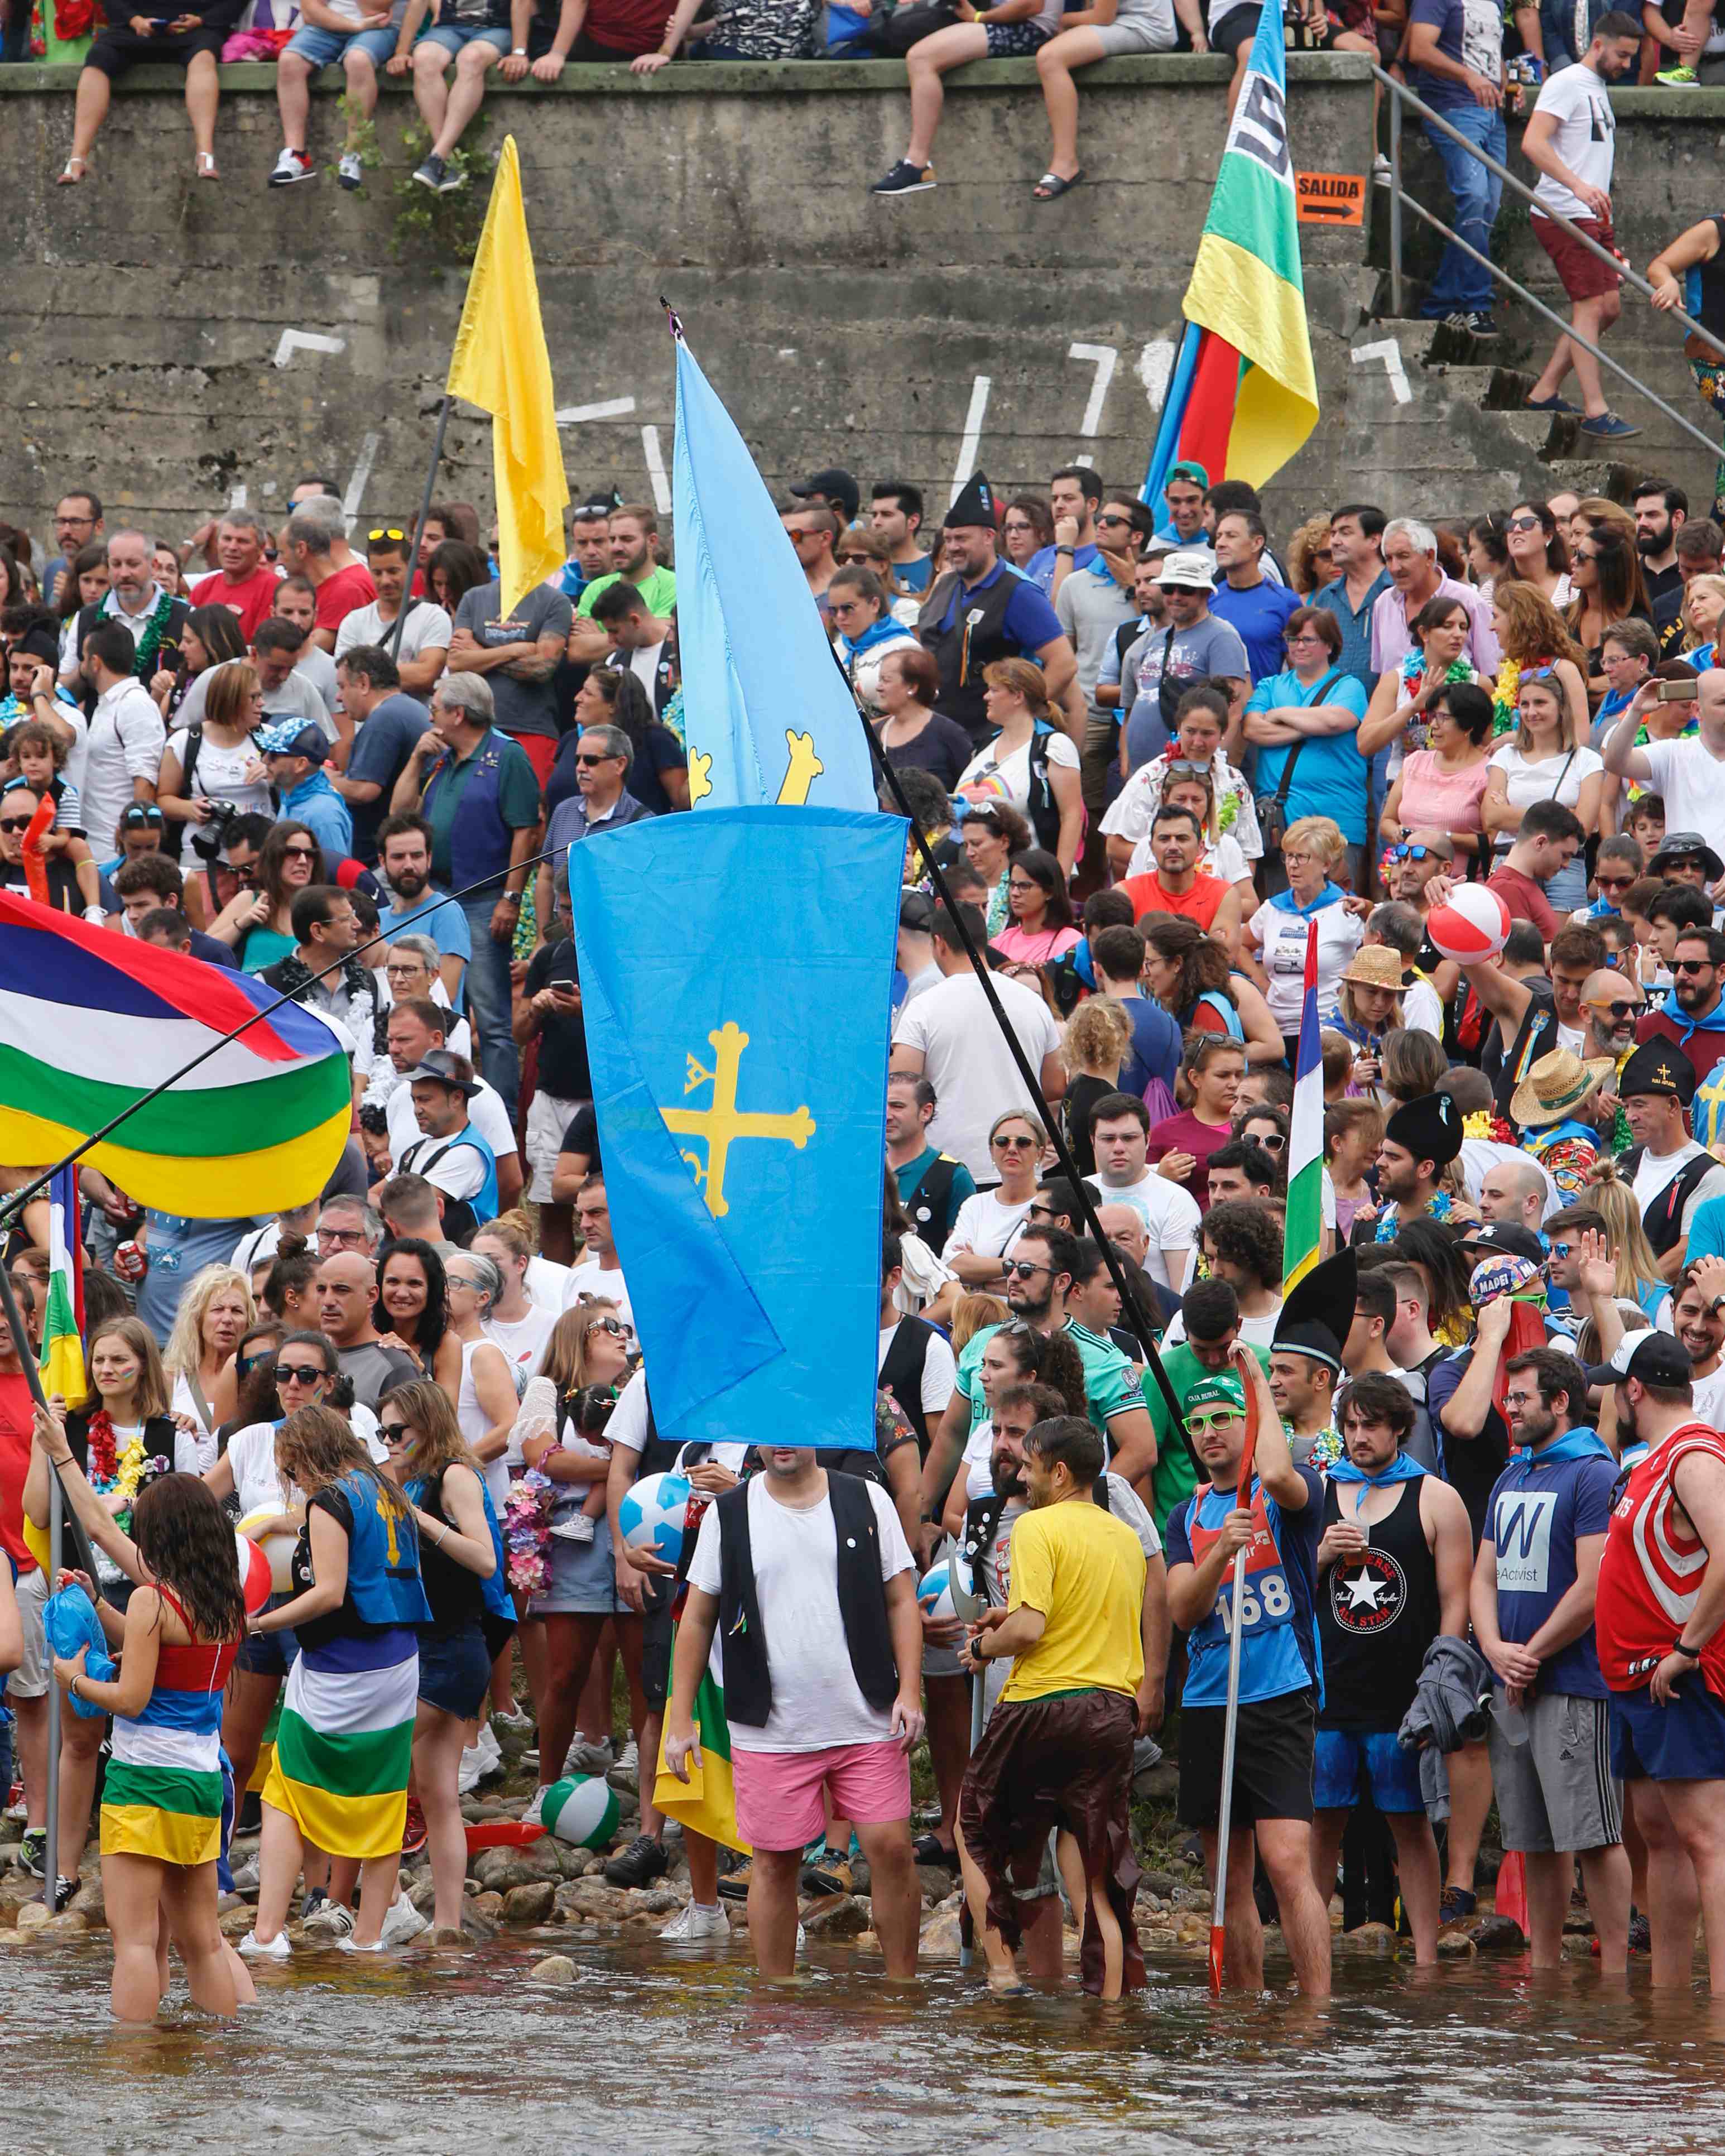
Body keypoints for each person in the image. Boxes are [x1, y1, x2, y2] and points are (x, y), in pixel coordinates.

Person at [666, 1446, 925, 1981]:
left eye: (794, 1428)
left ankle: (902, 1993)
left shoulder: (867, 1498)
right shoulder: (728, 1512)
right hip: (769, 1726)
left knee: (891, 1847)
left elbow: (901, 1599)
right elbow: (695, 1619)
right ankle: (776, 2000)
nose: (782, 1442)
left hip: (868, 1713)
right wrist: (679, 1723)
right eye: (769, 1430)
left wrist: (911, 1692)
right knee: (774, 1860)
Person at [954, 1412, 1150, 1996]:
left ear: (1059, 1472)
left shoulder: (1036, 1526)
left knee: (973, 1826)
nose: (1023, 1474)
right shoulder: (1124, 1537)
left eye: (1032, 1465)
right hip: (1113, 1711)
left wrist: (984, 1643)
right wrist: (1007, 1616)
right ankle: (1110, 2012)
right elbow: (1079, 1613)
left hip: (1042, 1706)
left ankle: (1003, 1972)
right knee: (1098, 1871)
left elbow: (1032, 1628)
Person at [1165, 1358, 1332, 1997]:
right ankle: (1243, 2009)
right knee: (1228, 1876)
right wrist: (1219, 1554)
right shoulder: (1187, 1514)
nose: (1210, 1432)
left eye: (1224, 1419)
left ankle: (1314, 2009)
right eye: (1198, 1422)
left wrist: (1258, 1385)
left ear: (1249, 1423)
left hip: (1279, 1693)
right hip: (1210, 1700)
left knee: (1288, 1862)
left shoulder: (1291, 1491)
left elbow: (1278, 1473)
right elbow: (1183, 1608)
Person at [242, 1404, 431, 1958]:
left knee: (284, 1791)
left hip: (339, 1666)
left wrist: (259, 1621)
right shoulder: (385, 1486)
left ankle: (267, 1933)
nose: (291, 1481)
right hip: (398, 1662)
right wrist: (296, 1523)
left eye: (292, 1470)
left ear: (311, 1457)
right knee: (381, 1794)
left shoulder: (330, 1499)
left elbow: (328, 1591)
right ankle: (370, 1936)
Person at [1470, 1345, 1631, 1968]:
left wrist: (1529, 1655)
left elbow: (1594, 1585)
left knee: (1592, 1833)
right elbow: (1484, 1577)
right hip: (1512, 1680)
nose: (1508, 1408)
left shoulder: (1592, 1473)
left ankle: (1615, 1969)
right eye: (1507, 1398)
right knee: (1533, 1840)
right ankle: (1544, 1965)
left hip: (1572, 1681)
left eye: (1520, 1398)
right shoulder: (1512, 1473)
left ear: (1560, 1402)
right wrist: (1493, 1649)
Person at [1311, 1371, 1473, 1965]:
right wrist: (1322, 1553)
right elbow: (1290, 1588)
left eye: (1370, 1425)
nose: (1358, 1437)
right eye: (1349, 1425)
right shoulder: (1322, 1490)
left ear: (1400, 1427)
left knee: (1408, 1824)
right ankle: (1314, 1947)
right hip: (1330, 1691)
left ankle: (1426, 1955)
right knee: (1321, 1820)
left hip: (1401, 1695)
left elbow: (1455, 1599)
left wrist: (1439, 1684)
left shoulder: (1436, 1496)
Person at [1591, 1329, 1725, 1991]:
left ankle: (1720, 2006)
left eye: (1614, 1384)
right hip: (1637, 1680)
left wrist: (1686, 1648)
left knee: (1705, 1835)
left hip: (1680, 1675)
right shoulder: (1651, 1456)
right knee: (1659, 1830)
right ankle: (1670, 2000)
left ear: (1634, 1389)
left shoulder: (1695, 1452)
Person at [378, 1379, 500, 1940]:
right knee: (438, 1792)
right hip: (432, 1646)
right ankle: (446, 1925)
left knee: (374, 1768)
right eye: (383, 1431)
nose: (389, 1440)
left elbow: (483, 1558)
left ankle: (389, 1905)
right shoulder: (414, 1478)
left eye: (397, 1430)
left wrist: (419, 1517)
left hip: (451, 1649)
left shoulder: (453, 1475)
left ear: (427, 1425)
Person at [391, 674, 542, 1114]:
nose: (431, 716)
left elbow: (525, 831)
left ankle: (500, 1116)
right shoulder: (440, 757)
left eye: (436, 707)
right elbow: (400, 816)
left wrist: (510, 898)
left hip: (482, 899)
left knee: (490, 1016)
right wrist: (415, 760)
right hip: (434, 897)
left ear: (459, 713)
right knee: (430, 1007)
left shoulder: (507, 756)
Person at [1521, 13, 1648, 439]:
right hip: (1563, 212)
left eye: (1631, 56)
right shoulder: (1567, 82)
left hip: (1592, 213)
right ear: (1597, 44)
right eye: (1621, 55)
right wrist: (1576, 186)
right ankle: (1596, 410)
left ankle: (1544, 391)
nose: (1626, 65)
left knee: (1606, 309)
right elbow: (1532, 142)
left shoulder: (1594, 87)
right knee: (1590, 308)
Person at [891, 901, 1065, 1181]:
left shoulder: (925, 1006)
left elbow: (900, 1082)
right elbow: (1056, 1085)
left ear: (939, 944)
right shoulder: (1033, 1003)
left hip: (950, 1164)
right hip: (1020, 1160)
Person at [915, 476, 1077, 747]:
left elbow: (1063, 663)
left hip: (988, 739)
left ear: (989, 536)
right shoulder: (945, 583)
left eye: (962, 538)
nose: (953, 547)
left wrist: (1020, 720)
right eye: (949, 539)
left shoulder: (1019, 591)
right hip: (938, 731)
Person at [870, 0, 1066, 196]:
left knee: (921, 58)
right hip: (1003, 21)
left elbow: (1030, 6)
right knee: (904, 34)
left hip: (1028, 30)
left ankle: (917, 164)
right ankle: (916, 165)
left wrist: (978, 17)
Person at [59, 0, 243, 184]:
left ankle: (205, 154)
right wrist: (135, 20)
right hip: (134, 29)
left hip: (197, 31)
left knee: (203, 58)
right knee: (97, 59)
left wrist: (201, 20)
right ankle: (77, 158)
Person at [1243, 816, 1366, 1060]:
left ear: (1326, 865)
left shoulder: (1346, 909)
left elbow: (1372, 954)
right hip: (1277, 1032)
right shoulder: (1273, 908)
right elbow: (1241, 944)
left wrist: (1347, 995)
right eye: (1289, 856)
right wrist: (1261, 984)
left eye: (1302, 857)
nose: (1292, 865)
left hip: (1327, 1034)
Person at [955, 659, 1083, 876]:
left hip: (1030, 876)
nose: (986, 697)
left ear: (1018, 696)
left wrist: (1060, 877)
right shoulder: (984, 745)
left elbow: (1072, 815)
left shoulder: (1053, 745)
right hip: (976, 878)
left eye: (994, 690)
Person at [1618, 1040, 1725, 1273]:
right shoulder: (1624, 1163)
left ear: (1673, 1106)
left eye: (1639, 1105)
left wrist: (1633, 1290)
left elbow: (1687, 1250)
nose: (1630, 1117)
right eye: (1626, 1107)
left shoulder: (1707, 1173)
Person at [1082, 1095, 1203, 1293]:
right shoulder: (1076, 1193)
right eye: (1108, 1139)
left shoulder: (1176, 1200)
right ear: (1092, 1141)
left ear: (1147, 1140)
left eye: (1129, 1138)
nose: (1119, 1148)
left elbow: (1183, 1292)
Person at [1648, 222, 1725, 521]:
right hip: (1710, 356)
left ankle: (1715, 531)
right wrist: (1668, 283)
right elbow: (1660, 266)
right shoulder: (1714, 230)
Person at [396, 1051, 499, 1242]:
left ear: (456, 1098)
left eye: (425, 1100)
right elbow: (377, 1197)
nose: (417, 1109)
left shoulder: (468, 1153)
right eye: (415, 1100)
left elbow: (410, 1207)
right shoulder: (417, 1149)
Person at [941, 1110, 1043, 1286]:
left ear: (1040, 1154)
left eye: (1024, 1143)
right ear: (991, 1151)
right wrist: (1014, 1265)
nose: (1012, 1149)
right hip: (978, 1312)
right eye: (1002, 1142)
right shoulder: (975, 1204)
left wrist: (980, 1277)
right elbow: (952, 1265)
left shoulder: (1050, 1203)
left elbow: (1042, 1274)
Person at [1147, 1034, 1247, 1209]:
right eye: (1223, 1075)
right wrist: (1159, 1178)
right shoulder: (1166, 1132)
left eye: (1239, 1075)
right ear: (1195, 1078)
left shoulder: (1258, 1125)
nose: (1234, 1083)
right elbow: (1140, 1193)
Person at [886, 1073, 977, 1252]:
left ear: (926, 1112)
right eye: (883, 1105)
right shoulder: (866, 1168)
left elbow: (960, 1258)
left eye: (897, 1106)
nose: (887, 1115)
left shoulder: (953, 1175)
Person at [871, 645, 974, 791]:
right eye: (880, 680)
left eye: (886, 680)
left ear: (912, 687)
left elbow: (967, 792)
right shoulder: (874, 734)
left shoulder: (949, 734)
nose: (878, 687)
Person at [1637, 923, 1725, 1088]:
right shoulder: (1644, 1030)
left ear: (1721, 973)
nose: (1681, 975)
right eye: (1675, 966)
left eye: (1693, 967)